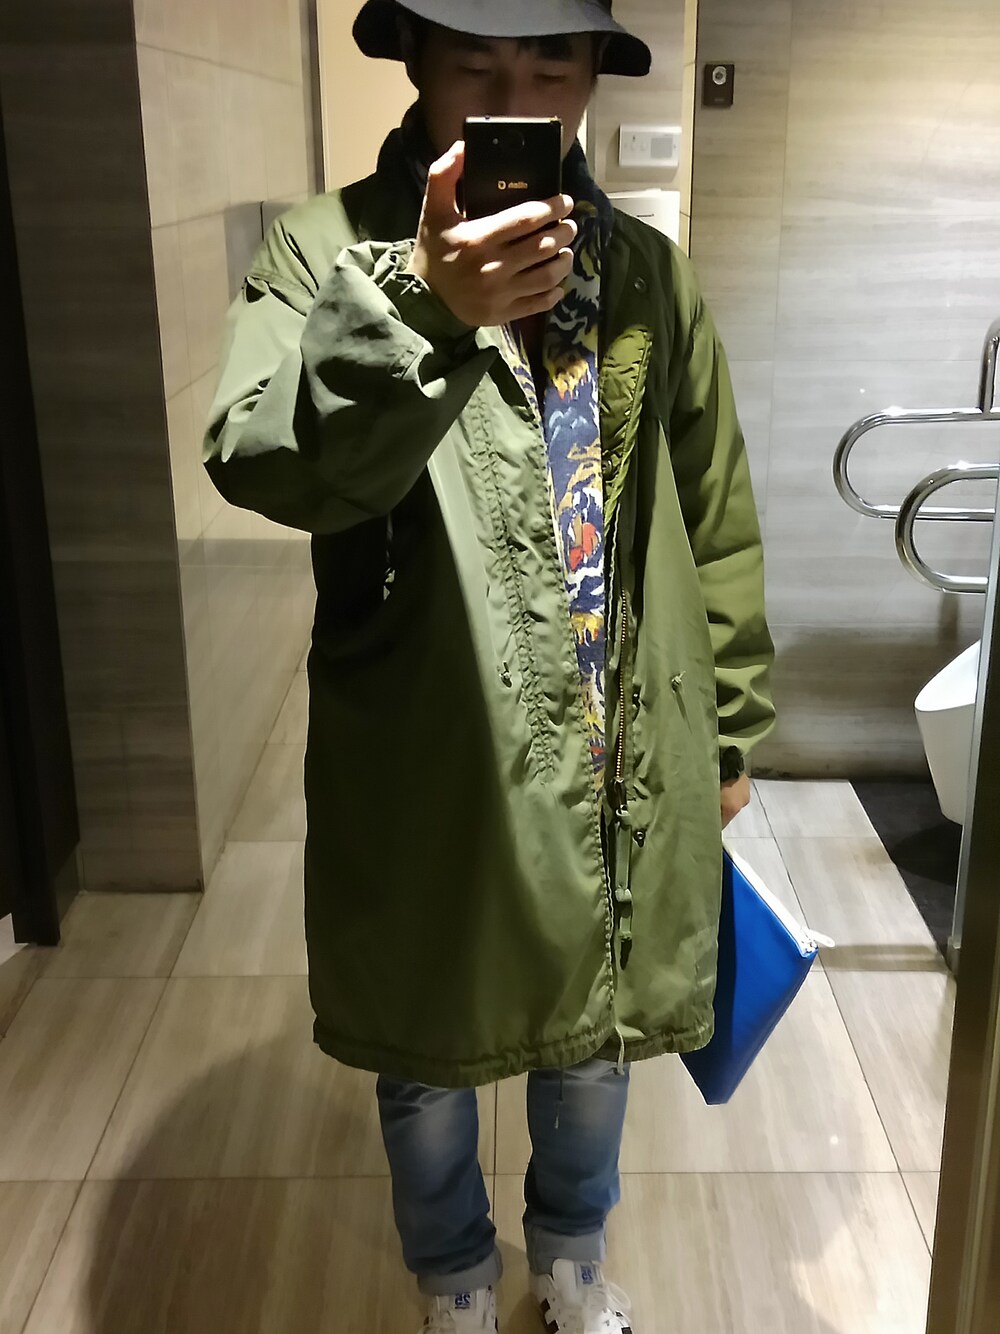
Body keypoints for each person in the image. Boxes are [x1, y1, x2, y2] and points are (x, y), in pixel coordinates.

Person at [204, 1, 775, 1329]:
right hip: (436, 725)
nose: (514, 93)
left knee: (596, 1026)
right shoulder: (326, 248)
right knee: (429, 1033)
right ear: (414, 62)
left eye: (551, 63)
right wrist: (422, 308)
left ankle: (570, 1260)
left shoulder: (644, 272)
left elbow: (714, 506)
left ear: (592, 77)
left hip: (618, 722)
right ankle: (455, 1279)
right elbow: (261, 458)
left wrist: (731, 725)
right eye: (474, 60)